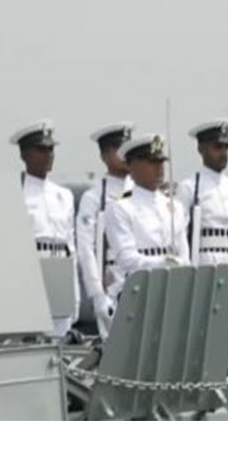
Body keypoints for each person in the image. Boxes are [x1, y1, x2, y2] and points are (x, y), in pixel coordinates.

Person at [175, 119, 228, 345]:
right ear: (202, 149)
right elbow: (180, 236)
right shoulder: (190, 188)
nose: (223, 153)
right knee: (205, 325)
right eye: (217, 147)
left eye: (226, 147)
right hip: (205, 258)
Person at [104, 132, 190, 314]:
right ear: (131, 165)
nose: (159, 168)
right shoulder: (120, 207)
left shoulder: (175, 206)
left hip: (172, 291)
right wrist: (163, 262)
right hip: (139, 292)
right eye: (151, 162)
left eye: (161, 162)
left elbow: (185, 256)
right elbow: (127, 260)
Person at [12, 119, 78, 336]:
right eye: (41, 149)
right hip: (33, 268)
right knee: (33, 336)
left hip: (60, 265)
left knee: (61, 335)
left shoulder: (64, 195)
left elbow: (71, 245)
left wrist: (74, 289)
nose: (49, 154)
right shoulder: (16, 192)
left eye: (51, 149)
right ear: (24, 154)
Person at [76, 121, 132, 338]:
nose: (125, 154)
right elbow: (86, 250)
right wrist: (97, 294)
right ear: (105, 155)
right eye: (119, 148)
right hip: (111, 278)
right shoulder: (94, 198)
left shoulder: (141, 193)